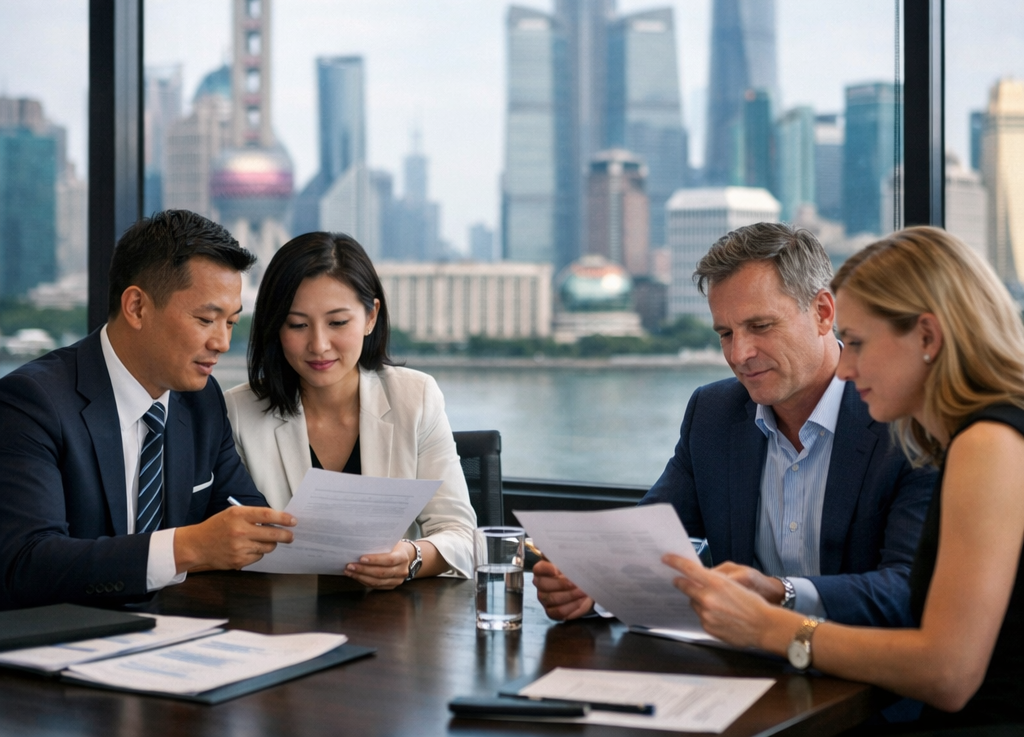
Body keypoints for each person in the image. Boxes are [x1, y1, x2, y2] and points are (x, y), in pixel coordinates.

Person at [666, 227, 1024, 726]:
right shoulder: (976, 434)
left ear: (927, 336)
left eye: (855, 343)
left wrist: (769, 625)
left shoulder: (988, 442)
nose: (846, 367)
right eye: (726, 334)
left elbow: (947, 674)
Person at [535, 223, 935, 627]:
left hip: (860, 674)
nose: (740, 354)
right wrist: (592, 588)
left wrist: (782, 593)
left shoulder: (904, 423)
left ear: (822, 313)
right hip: (742, 671)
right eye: (725, 333)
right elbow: (650, 548)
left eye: (760, 326)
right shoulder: (713, 413)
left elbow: (906, 589)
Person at [0, 211, 295, 610]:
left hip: (174, 635)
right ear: (136, 306)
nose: (222, 342)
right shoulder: (32, 402)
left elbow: (244, 519)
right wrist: (186, 547)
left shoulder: (202, 401)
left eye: (231, 323)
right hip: (63, 644)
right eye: (207, 319)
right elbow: (26, 564)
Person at [225, 232, 476, 587]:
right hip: (282, 619)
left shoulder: (415, 397)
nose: (319, 345)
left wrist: (410, 558)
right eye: (297, 325)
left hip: (392, 622)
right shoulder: (237, 412)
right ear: (275, 327)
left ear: (371, 317)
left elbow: (462, 535)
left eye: (338, 322)